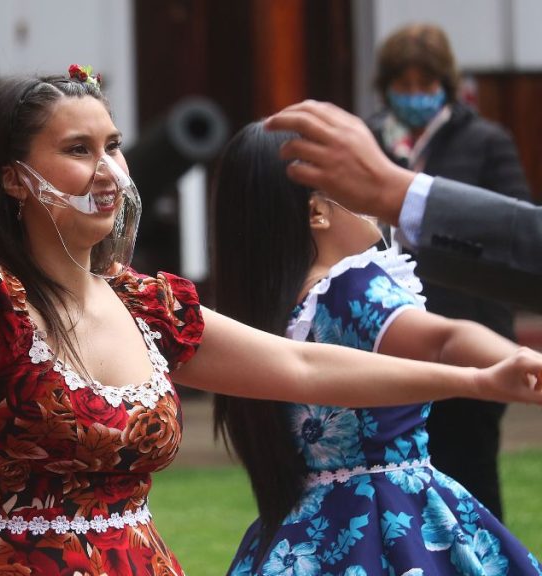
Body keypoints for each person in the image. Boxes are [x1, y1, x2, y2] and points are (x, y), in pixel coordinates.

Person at [0, 55, 542, 575]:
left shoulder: (149, 305)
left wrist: (476, 381)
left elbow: (302, 366)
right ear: (16, 177)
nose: (109, 170)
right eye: (79, 150)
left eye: (113, 145)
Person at [213, 122, 541, 574]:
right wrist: (518, 362)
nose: (371, 203)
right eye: (352, 188)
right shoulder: (353, 290)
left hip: (302, 536)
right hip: (392, 524)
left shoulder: (270, 313)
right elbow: (444, 339)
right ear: (317, 213)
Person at [365, 23, 532, 520]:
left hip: (469, 333)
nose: (415, 96)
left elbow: (513, 228)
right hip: (385, 338)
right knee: (399, 491)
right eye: (404, 85)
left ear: (447, 84)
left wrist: (426, 209)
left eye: (426, 85)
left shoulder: (484, 140)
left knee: (472, 483)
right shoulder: (368, 140)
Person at [264, 100, 542, 312]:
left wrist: (394, 192)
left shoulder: (282, 298)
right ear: (317, 211)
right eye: (351, 196)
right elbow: (443, 343)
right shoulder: (359, 294)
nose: (375, 214)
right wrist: (480, 376)